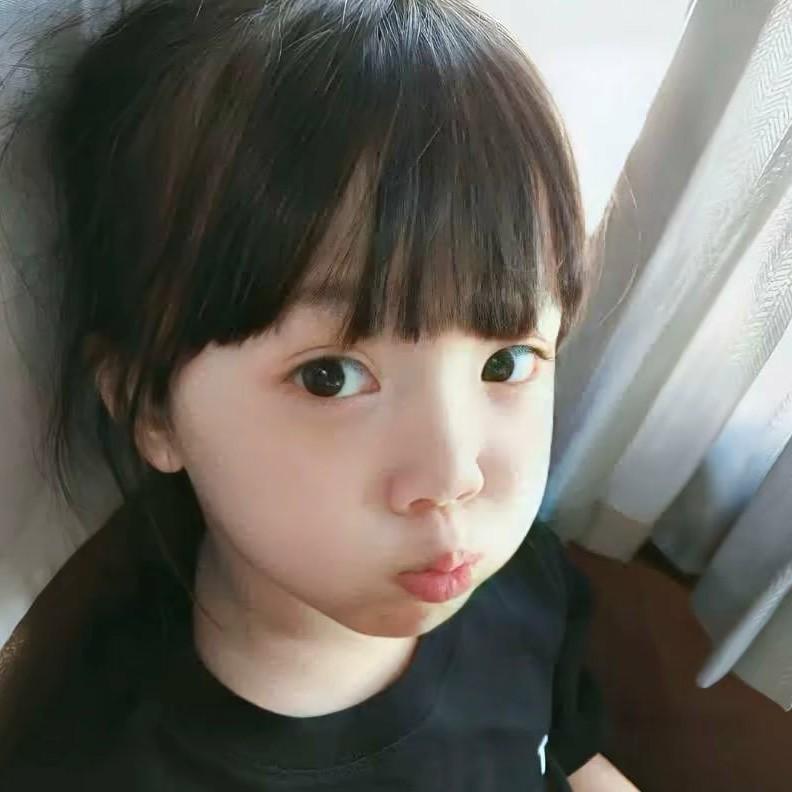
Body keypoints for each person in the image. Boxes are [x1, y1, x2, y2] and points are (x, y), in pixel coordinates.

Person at [1, 1, 638, 789]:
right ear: (152, 407)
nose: (453, 477)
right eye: (330, 376)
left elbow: (571, 758)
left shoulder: (522, 582)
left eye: (506, 363)